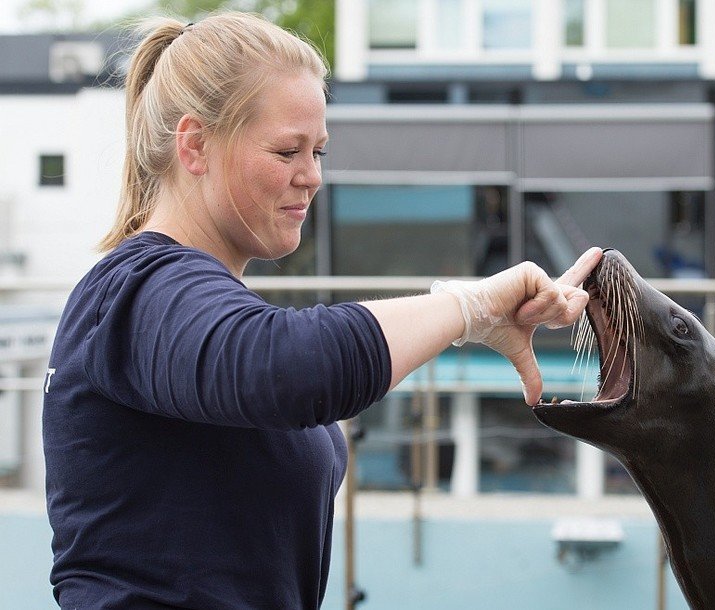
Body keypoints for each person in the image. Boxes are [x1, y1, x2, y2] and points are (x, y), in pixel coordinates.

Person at [42, 12, 602, 609]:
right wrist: (466, 306)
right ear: (195, 145)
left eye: (319, 151)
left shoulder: (196, 304)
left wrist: (474, 318)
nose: (311, 177)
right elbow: (285, 368)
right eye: (287, 151)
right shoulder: (135, 292)